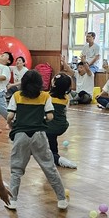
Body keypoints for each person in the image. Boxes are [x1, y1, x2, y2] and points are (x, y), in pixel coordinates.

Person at [6, 70, 68, 210]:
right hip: (39, 135)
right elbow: (50, 116)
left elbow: (10, 116)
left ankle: (13, 201)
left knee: (16, 169)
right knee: (49, 167)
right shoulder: (45, 96)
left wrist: (10, 124)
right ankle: (62, 199)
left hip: (20, 135)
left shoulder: (17, 95)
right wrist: (42, 120)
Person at [47, 73, 77, 169]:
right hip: (62, 125)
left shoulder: (47, 96)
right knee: (52, 139)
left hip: (50, 127)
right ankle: (55, 153)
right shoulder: (66, 97)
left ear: (54, 84)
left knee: (44, 150)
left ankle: (58, 159)